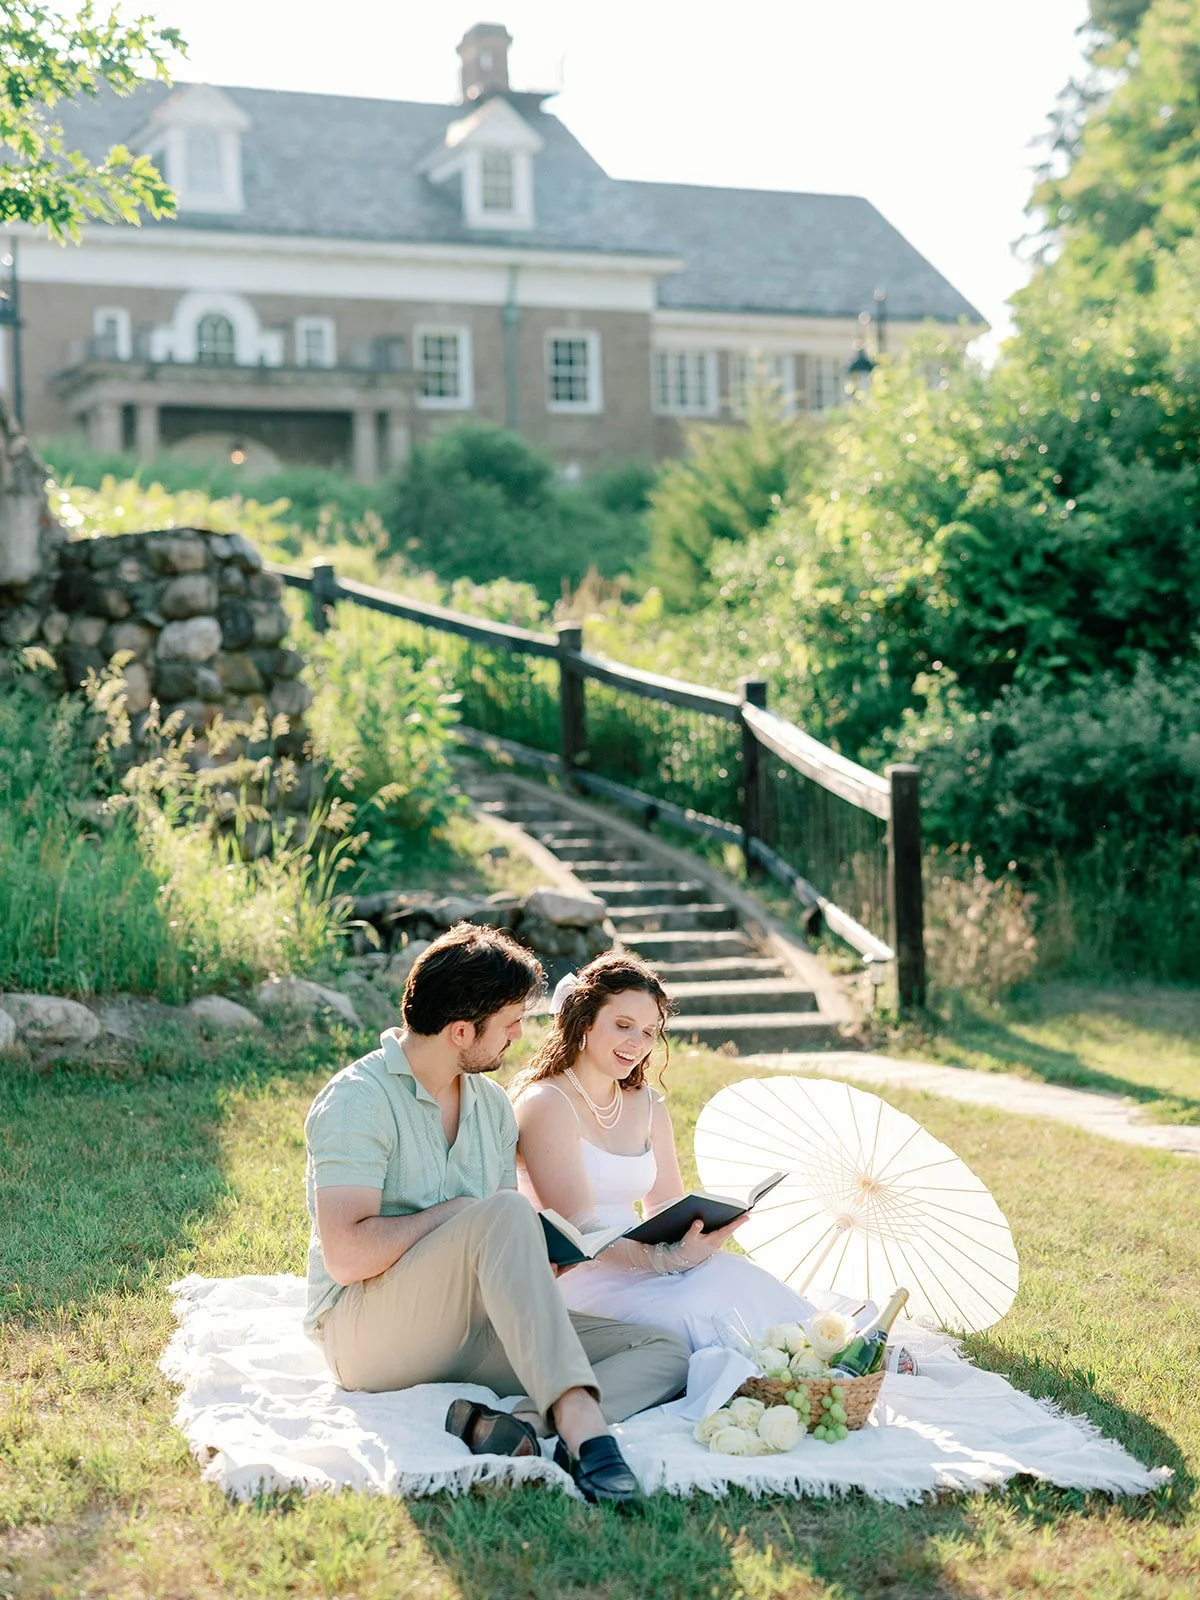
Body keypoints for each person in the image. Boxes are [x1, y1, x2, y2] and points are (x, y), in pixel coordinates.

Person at [302, 923, 690, 1506]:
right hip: (367, 1335)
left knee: (664, 1353)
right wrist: (457, 1215)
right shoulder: (358, 1099)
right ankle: (586, 1432)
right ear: (461, 1031)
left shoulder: (490, 1107)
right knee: (503, 1210)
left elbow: (503, 1237)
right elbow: (347, 1257)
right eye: (510, 1022)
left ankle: (522, 1425)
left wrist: (541, 1258)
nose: (518, 1035)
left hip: (470, 1327)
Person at [510, 951, 816, 1351]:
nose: (636, 1043)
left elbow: (666, 1205)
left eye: (649, 1032)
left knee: (745, 1281)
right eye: (623, 1026)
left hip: (645, 1259)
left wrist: (696, 1235)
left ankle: (831, 1359)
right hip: (580, 1276)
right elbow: (582, 1231)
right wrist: (664, 1260)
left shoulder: (647, 1103)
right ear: (584, 1021)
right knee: (693, 1312)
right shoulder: (546, 1103)